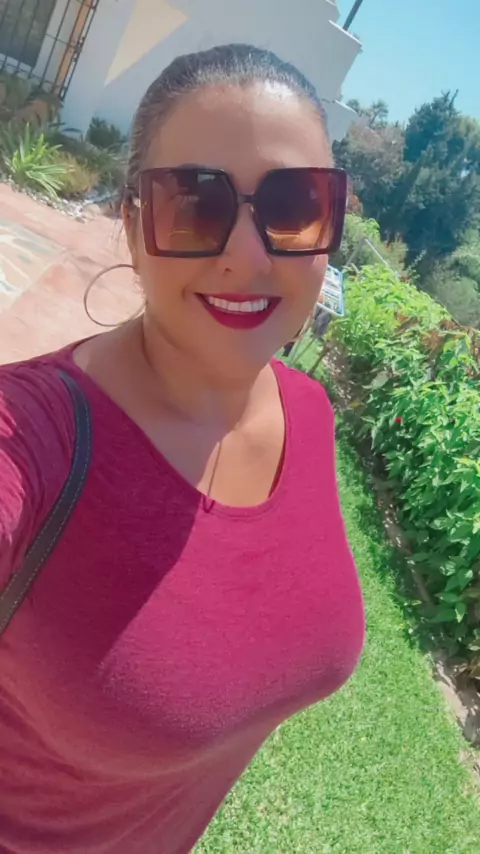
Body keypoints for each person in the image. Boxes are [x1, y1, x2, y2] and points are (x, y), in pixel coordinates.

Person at [0, 44, 364, 854]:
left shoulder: (309, 413)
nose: (248, 255)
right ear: (134, 226)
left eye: (294, 204)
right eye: (195, 203)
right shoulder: (33, 437)